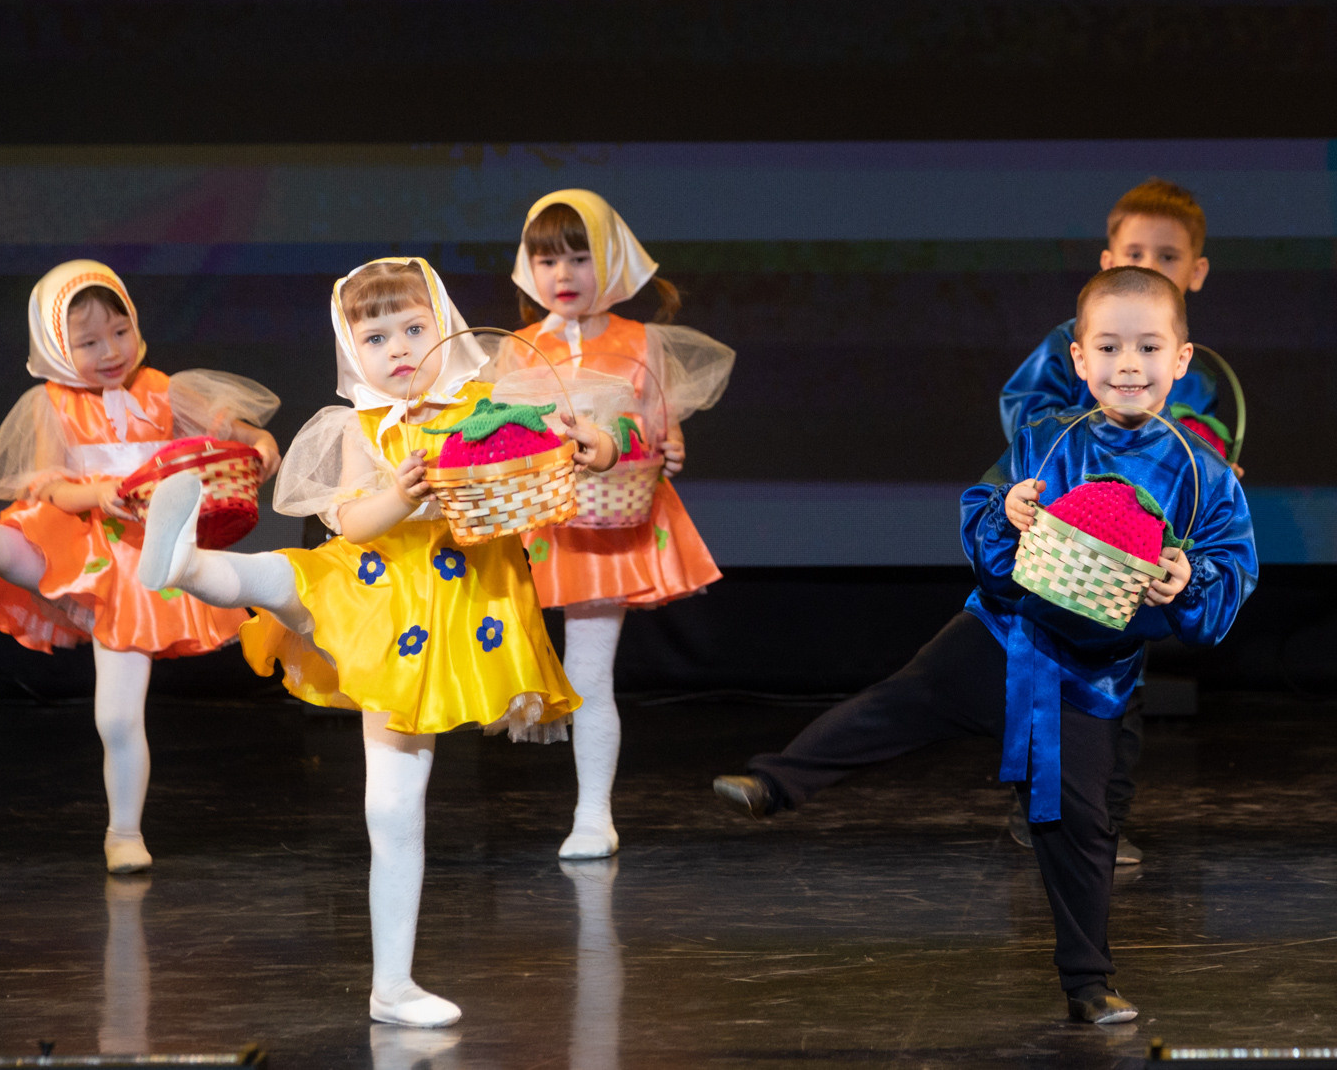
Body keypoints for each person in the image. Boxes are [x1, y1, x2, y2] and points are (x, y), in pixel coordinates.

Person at [713, 266, 1256, 1023]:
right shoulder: (1046, 439)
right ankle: (776, 782)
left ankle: (1089, 982)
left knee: (1078, 826)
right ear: (1077, 359)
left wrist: (1187, 575)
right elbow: (983, 519)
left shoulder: (1201, 471)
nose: (1128, 365)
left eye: (1148, 347)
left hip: (1088, 676)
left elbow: (1231, 563)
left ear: (1183, 359)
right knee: (899, 702)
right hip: (1005, 636)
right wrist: (1008, 508)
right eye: (1108, 347)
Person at [136, 257, 616, 1027]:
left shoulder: (487, 402)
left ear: (445, 326)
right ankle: (185, 562)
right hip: (367, 590)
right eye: (376, 335)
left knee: (393, 810)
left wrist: (596, 443)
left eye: (414, 329)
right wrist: (401, 489)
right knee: (281, 577)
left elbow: (567, 437)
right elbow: (350, 522)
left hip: (441, 625)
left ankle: (392, 984)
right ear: (348, 347)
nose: (398, 348)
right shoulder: (357, 427)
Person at [0, 259, 280, 873]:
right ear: (56, 346)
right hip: (74, 543)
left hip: (138, 569)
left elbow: (244, 437)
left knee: (116, 716)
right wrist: (96, 494)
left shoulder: (164, 389)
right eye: (88, 342)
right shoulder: (52, 404)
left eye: (119, 331)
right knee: (3, 545)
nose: (111, 350)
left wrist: (257, 446)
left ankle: (124, 832)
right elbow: (51, 491)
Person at [999, 177, 1227, 865]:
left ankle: (1101, 825)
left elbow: (1198, 450)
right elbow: (1024, 412)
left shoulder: (1190, 370)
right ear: (1106, 261)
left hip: (1127, 567)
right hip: (1065, 548)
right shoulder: (1078, 344)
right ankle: (1039, 814)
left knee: (1120, 695)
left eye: (1167, 256)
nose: (1149, 267)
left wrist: (1210, 473)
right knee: (1044, 681)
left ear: (1196, 272)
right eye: (1135, 251)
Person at [509, 189, 735, 860]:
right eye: (547, 259)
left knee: (587, 671)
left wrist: (666, 447)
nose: (564, 275)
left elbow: (655, 433)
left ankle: (592, 812)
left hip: (605, 526)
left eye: (580, 257)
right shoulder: (516, 349)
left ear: (609, 260)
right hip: (530, 525)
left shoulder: (640, 343)